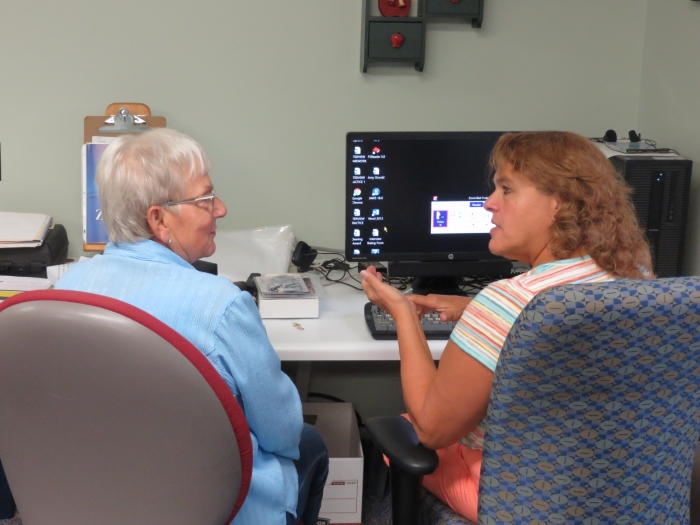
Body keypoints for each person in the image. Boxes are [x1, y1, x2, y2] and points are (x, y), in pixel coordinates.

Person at [360, 131, 653, 521]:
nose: (489, 204)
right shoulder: (639, 279)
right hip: (627, 490)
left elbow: (432, 429)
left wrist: (401, 313)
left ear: (559, 203)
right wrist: (473, 307)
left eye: (507, 190)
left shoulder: (508, 302)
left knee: (407, 428)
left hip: (522, 502)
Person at [56, 128, 328, 525]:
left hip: (98, 495)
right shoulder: (222, 307)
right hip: (214, 506)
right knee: (310, 443)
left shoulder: (65, 291)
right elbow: (281, 432)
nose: (221, 209)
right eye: (205, 199)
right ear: (159, 219)